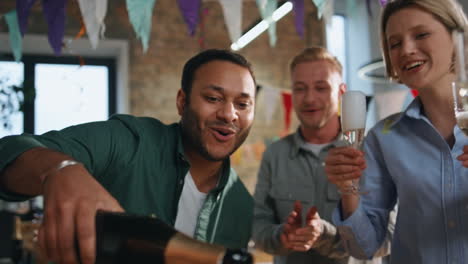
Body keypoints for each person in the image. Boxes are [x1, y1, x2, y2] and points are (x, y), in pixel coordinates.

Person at [0, 49, 256, 264]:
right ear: (182, 102)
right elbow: (10, 150)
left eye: (243, 104)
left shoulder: (242, 206)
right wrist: (59, 169)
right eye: (213, 98)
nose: (229, 114)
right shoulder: (128, 141)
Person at [324, 0, 468, 263]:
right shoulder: (384, 138)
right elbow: (363, 249)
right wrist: (348, 188)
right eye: (394, 43)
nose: (407, 50)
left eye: (421, 34)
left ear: (457, 36)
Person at [252, 47, 393, 264]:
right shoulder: (275, 154)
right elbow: (258, 225)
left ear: (341, 93)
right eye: (300, 89)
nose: (309, 98)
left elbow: (386, 239)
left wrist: (324, 235)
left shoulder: (374, 153)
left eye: (321, 87)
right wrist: (283, 236)